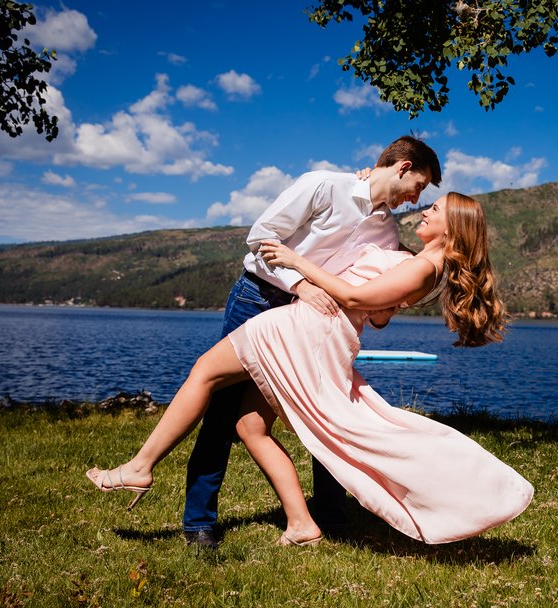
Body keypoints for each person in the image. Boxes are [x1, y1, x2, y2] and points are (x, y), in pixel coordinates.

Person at [86, 193, 533, 546]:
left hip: (305, 326)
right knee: (249, 426)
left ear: (453, 227)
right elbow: (376, 313)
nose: (423, 210)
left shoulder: (422, 268)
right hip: (319, 332)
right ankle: (302, 523)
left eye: (434, 209)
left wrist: (297, 262)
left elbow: (359, 302)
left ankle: (140, 466)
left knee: (204, 370)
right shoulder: (417, 261)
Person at [182, 136, 442, 549]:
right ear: (404, 167)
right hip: (259, 298)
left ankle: (332, 515)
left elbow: (387, 281)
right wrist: (299, 284)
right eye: (420, 186)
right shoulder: (323, 185)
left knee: (323, 412)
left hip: (311, 322)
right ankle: (198, 523)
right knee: (222, 409)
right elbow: (261, 235)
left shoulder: (386, 230)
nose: (416, 198)